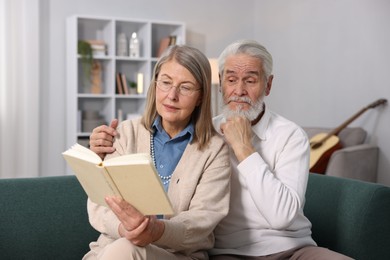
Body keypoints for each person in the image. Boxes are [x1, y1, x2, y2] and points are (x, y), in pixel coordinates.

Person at [90, 40, 352, 259]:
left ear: (268, 85)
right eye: (231, 79)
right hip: (228, 252)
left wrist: (243, 147)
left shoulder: (289, 135)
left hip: (291, 247)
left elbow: (281, 216)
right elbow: (101, 199)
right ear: (220, 83)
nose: (239, 90)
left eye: (251, 80)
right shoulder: (207, 135)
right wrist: (99, 154)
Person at [84, 45, 231, 260]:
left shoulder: (215, 149)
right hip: (114, 248)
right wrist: (127, 231)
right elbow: (100, 205)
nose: (172, 95)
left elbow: (202, 221)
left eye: (186, 87)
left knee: (126, 250)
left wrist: (155, 231)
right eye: (166, 82)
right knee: (124, 248)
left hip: (177, 255)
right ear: (155, 85)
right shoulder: (125, 133)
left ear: (201, 97)